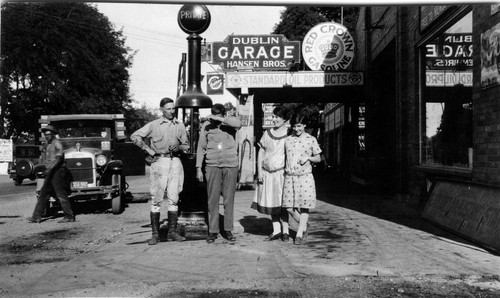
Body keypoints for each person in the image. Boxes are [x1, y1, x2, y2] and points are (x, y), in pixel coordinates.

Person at [131, 97, 189, 245]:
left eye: (173, 108)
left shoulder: (179, 125)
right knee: (156, 199)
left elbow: (186, 145)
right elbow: (135, 136)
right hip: (159, 162)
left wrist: (180, 148)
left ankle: (172, 232)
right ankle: (155, 234)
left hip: (175, 162)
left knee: (174, 198)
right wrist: (149, 150)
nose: (171, 111)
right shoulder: (154, 125)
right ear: (161, 109)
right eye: (168, 108)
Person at [196, 103, 242, 243]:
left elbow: (238, 124)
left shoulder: (230, 122)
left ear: (223, 114)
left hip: (230, 165)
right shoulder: (206, 126)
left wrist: (221, 119)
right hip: (212, 165)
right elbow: (201, 147)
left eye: (218, 115)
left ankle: (228, 230)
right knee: (213, 200)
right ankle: (213, 231)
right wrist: (198, 168)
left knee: (229, 200)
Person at [252, 106, 292, 242]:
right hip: (267, 174)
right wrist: (260, 171)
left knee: (283, 204)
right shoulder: (267, 133)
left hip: (282, 174)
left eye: (277, 117)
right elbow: (261, 152)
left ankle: (286, 231)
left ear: (285, 119)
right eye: (273, 116)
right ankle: (276, 230)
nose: (274, 119)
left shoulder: (290, 133)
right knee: (271, 202)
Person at [282, 111, 322, 245]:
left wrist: (308, 157)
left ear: (304, 125)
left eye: (299, 126)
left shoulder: (311, 139)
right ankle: (304, 225)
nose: (296, 129)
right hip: (290, 177)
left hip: (305, 177)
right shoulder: (288, 140)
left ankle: (299, 233)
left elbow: (318, 158)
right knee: (288, 207)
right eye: (294, 126)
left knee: (304, 206)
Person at [27, 125, 75, 223]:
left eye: (49, 134)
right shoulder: (47, 145)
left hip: (57, 171)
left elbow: (58, 159)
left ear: (53, 135)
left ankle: (69, 216)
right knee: (44, 194)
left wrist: (50, 169)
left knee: (60, 194)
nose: (47, 136)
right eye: (46, 134)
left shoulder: (57, 144)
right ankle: (36, 217)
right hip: (50, 171)